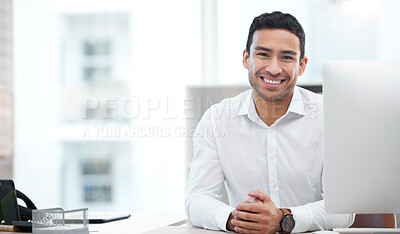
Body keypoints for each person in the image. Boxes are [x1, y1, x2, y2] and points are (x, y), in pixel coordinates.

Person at [185, 11, 354, 233]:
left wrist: (284, 219)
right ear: (247, 58)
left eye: (286, 57)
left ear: (301, 65)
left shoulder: (330, 117)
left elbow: (343, 211)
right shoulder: (217, 119)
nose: (274, 68)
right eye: (264, 54)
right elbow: (197, 199)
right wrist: (236, 218)